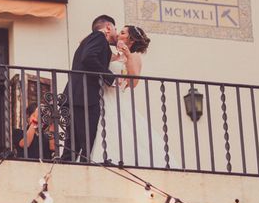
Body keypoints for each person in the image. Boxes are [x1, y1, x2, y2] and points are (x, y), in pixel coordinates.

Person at [91, 25, 178, 168]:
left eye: (123, 33)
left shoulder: (135, 56)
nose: (118, 34)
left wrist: (127, 55)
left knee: (120, 131)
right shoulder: (112, 53)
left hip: (116, 99)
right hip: (102, 97)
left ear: (130, 39)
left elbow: (134, 82)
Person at [61, 15, 118, 162]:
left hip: (76, 96)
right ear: (108, 27)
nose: (116, 32)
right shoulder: (99, 37)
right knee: (87, 145)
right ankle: (83, 173)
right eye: (115, 29)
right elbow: (88, 57)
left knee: (72, 146)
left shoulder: (89, 40)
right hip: (85, 98)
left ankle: (66, 175)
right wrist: (109, 77)